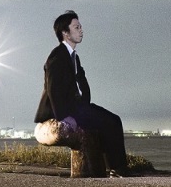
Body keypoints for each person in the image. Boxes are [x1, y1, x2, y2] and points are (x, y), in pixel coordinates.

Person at [34, 10, 130, 177]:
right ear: (65, 33)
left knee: (113, 120)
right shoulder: (57, 56)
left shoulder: (73, 57)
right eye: (76, 27)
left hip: (78, 107)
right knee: (111, 122)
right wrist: (64, 117)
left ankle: (114, 168)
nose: (81, 30)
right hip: (64, 110)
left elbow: (80, 85)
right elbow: (53, 90)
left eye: (81, 27)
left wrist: (85, 104)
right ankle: (117, 169)